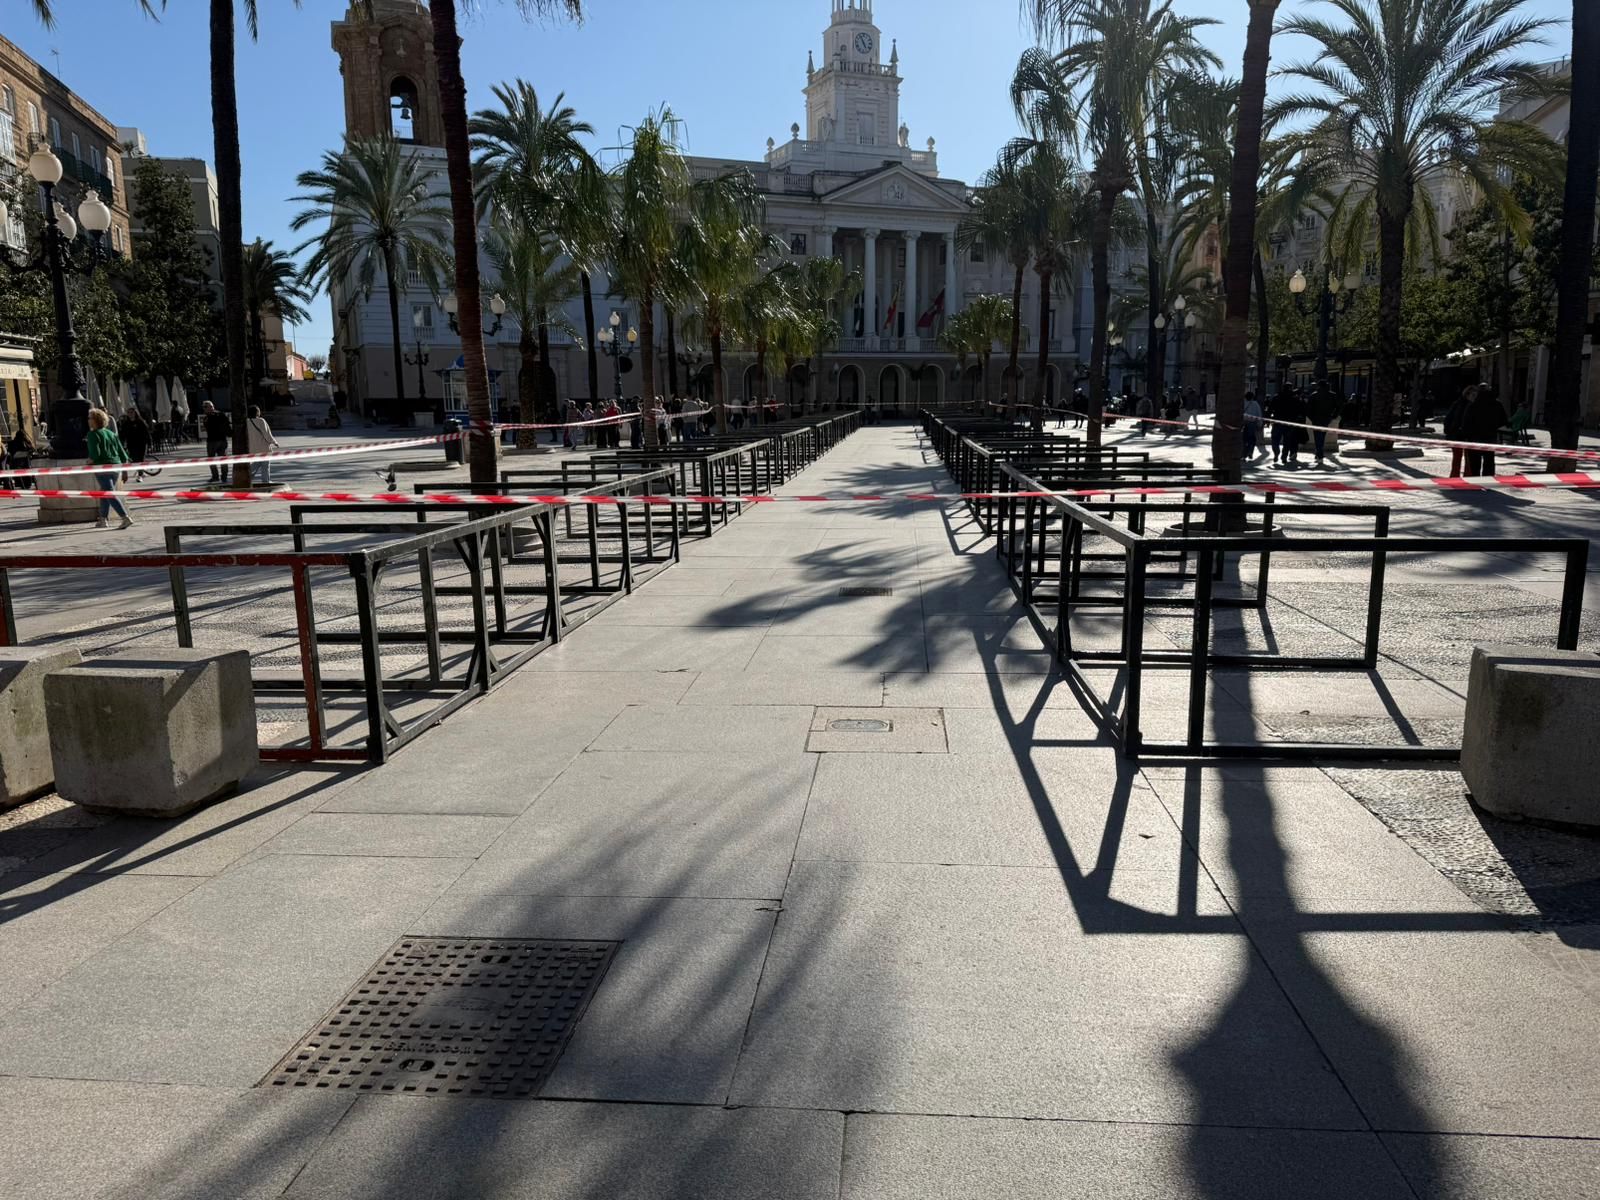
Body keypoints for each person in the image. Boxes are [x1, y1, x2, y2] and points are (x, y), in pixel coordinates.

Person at [86, 408, 133, 529]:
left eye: (90, 418)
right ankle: (103, 519)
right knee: (105, 492)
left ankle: (125, 517)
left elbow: (95, 454)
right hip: (115, 466)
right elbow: (122, 454)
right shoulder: (111, 434)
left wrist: (89, 461)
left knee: (109, 493)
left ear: (95, 420)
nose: (88, 420)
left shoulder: (92, 434)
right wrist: (125, 471)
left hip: (102, 467)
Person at [1461, 384, 1508, 477]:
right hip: (1490, 436)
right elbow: (1504, 420)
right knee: (1489, 461)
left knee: (1475, 462)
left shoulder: (1473, 404)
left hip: (1474, 437)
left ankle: (1475, 480)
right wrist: (1494, 426)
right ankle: (1488, 480)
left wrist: (1466, 435)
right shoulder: (1497, 404)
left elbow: (1466, 422)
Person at [1442, 385, 1474, 478]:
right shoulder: (1458, 404)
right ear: (1467, 394)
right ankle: (1455, 477)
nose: (1474, 397)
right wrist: (1448, 430)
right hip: (1457, 435)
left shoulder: (1473, 405)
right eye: (1473, 394)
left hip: (1468, 436)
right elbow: (1449, 418)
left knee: (1469, 459)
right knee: (1457, 458)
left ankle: (1467, 477)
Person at [1308, 380, 1339, 466]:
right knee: (1321, 436)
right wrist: (1333, 416)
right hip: (1326, 419)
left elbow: (1308, 409)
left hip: (1316, 419)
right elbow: (1338, 406)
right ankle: (1319, 453)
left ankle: (1319, 454)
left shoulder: (1314, 395)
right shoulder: (1332, 395)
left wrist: (1312, 418)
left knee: (1318, 437)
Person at [246, 405, 280, 486]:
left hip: (253, 447)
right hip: (263, 447)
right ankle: (265, 481)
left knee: (257, 462)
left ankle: (248, 476)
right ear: (257, 412)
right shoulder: (261, 421)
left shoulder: (247, 421)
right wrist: (274, 442)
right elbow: (267, 434)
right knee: (265, 465)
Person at [1276, 386, 1307, 465]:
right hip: (1295, 422)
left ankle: (1289, 454)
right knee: (1292, 439)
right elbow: (1303, 411)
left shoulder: (1286, 399)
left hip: (1291, 422)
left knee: (1290, 439)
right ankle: (1290, 453)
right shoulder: (1298, 401)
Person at [202, 401, 230, 481]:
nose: (204, 409)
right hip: (221, 439)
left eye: (205, 407)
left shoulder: (208, 418)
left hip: (213, 441)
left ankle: (216, 476)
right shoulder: (221, 415)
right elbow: (227, 425)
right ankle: (223, 476)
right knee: (222, 458)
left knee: (212, 459)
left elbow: (208, 427)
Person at [1242, 390, 1263, 460]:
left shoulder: (1243, 403)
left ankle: (1244, 454)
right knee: (1252, 439)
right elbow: (1259, 414)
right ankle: (1250, 452)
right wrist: (1259, 424)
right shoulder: (1255, 404)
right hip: (1252, 423)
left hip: (1244, 423)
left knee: (1244, 439)